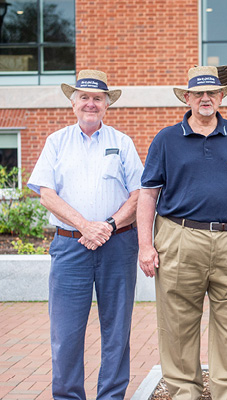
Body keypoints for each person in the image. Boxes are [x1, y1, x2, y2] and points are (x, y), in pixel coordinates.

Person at [137, 65, 227, 400]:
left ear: (221, 97)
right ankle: (185, 392)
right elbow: (148, 194)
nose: (204, 98)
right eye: (198, 93)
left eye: (211, 93)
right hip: (179, 237)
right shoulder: (166, 139)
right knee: (178, 322)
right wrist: (145, 245)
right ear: (186, 98)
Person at [27, 69, 144, 399]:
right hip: (70, 246)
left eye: (98, 99)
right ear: (73, 103)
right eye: (84, 98)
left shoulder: (122, 143)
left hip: (118, 244)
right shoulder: (56, 141)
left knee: (117, 330)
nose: (91, 104)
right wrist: (85, 225)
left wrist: (106, 225)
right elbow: (46, 193)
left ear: (107, 105)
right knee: (65, 331)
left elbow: (139, 194)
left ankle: (111, 396)